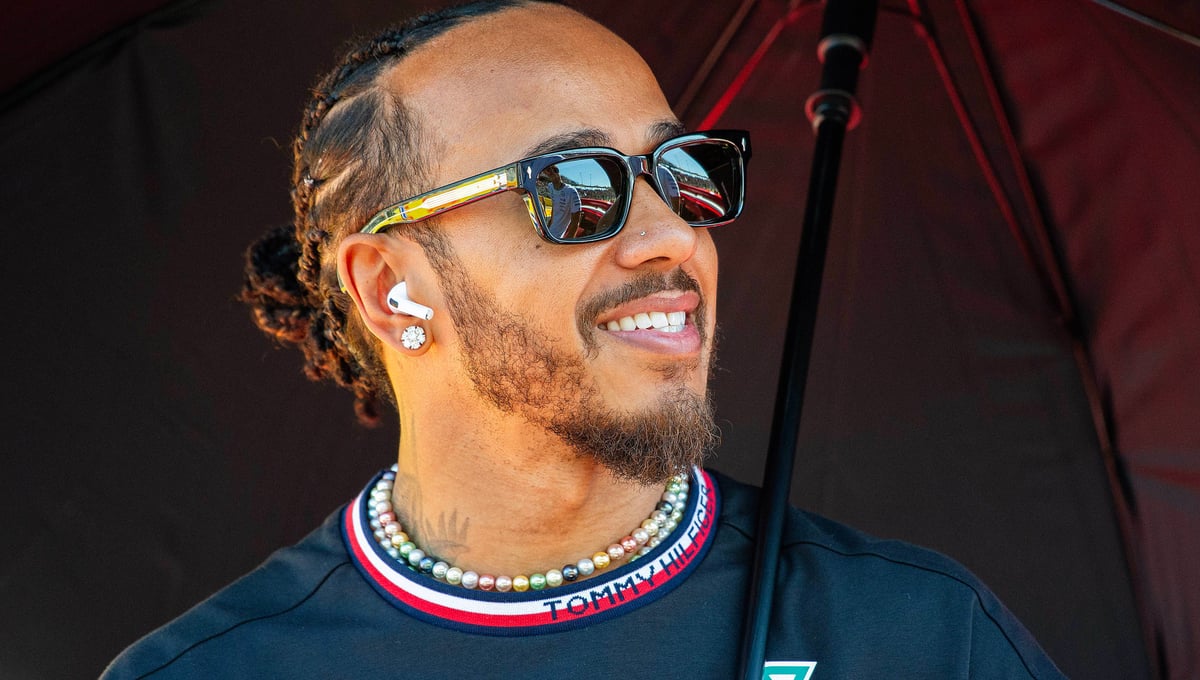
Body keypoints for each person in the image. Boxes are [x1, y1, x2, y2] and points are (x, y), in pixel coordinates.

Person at [104, 1, 1065, 677]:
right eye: (573, 189)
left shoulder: (920, 639)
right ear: (391, 287)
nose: (673, 236)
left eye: (680, 170)